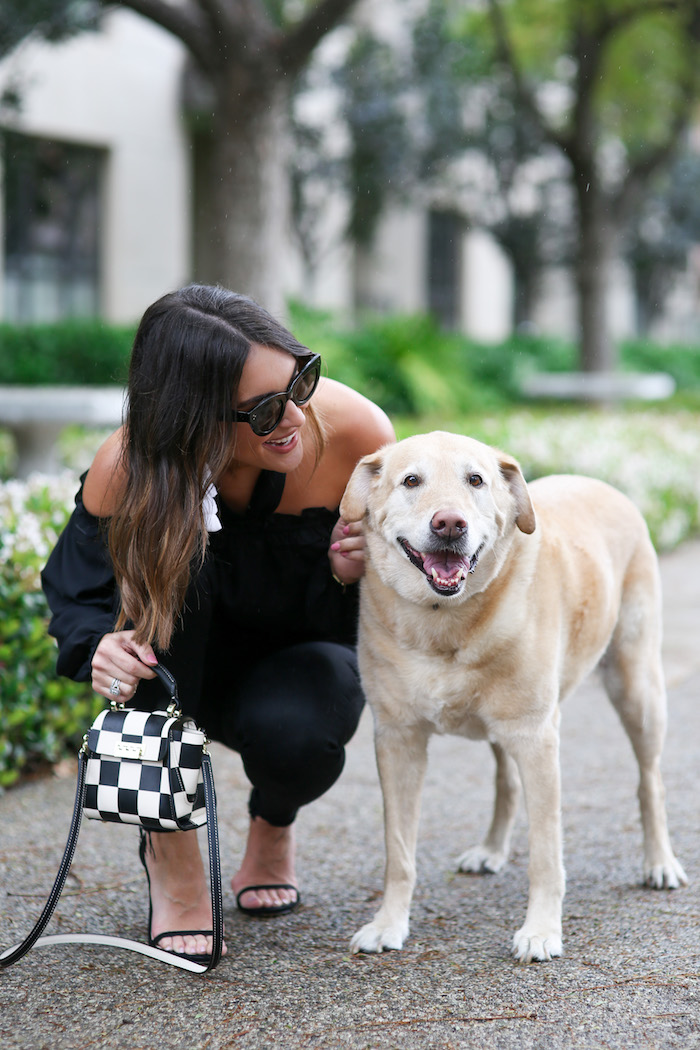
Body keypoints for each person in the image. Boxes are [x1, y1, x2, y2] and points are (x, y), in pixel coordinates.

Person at [41, 284, 395, 964]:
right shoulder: (130, 467)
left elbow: (402, 608)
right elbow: (78, 591)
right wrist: (98, 649)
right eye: (263, 409)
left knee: (301, 735)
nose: (293, 415)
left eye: (301, 379)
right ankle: (172, 863)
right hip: (178, 676)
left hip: (299, 663)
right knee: (148, 616)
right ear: (193, 416)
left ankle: (273, 822)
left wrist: (356, 577)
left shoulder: (357, 436)